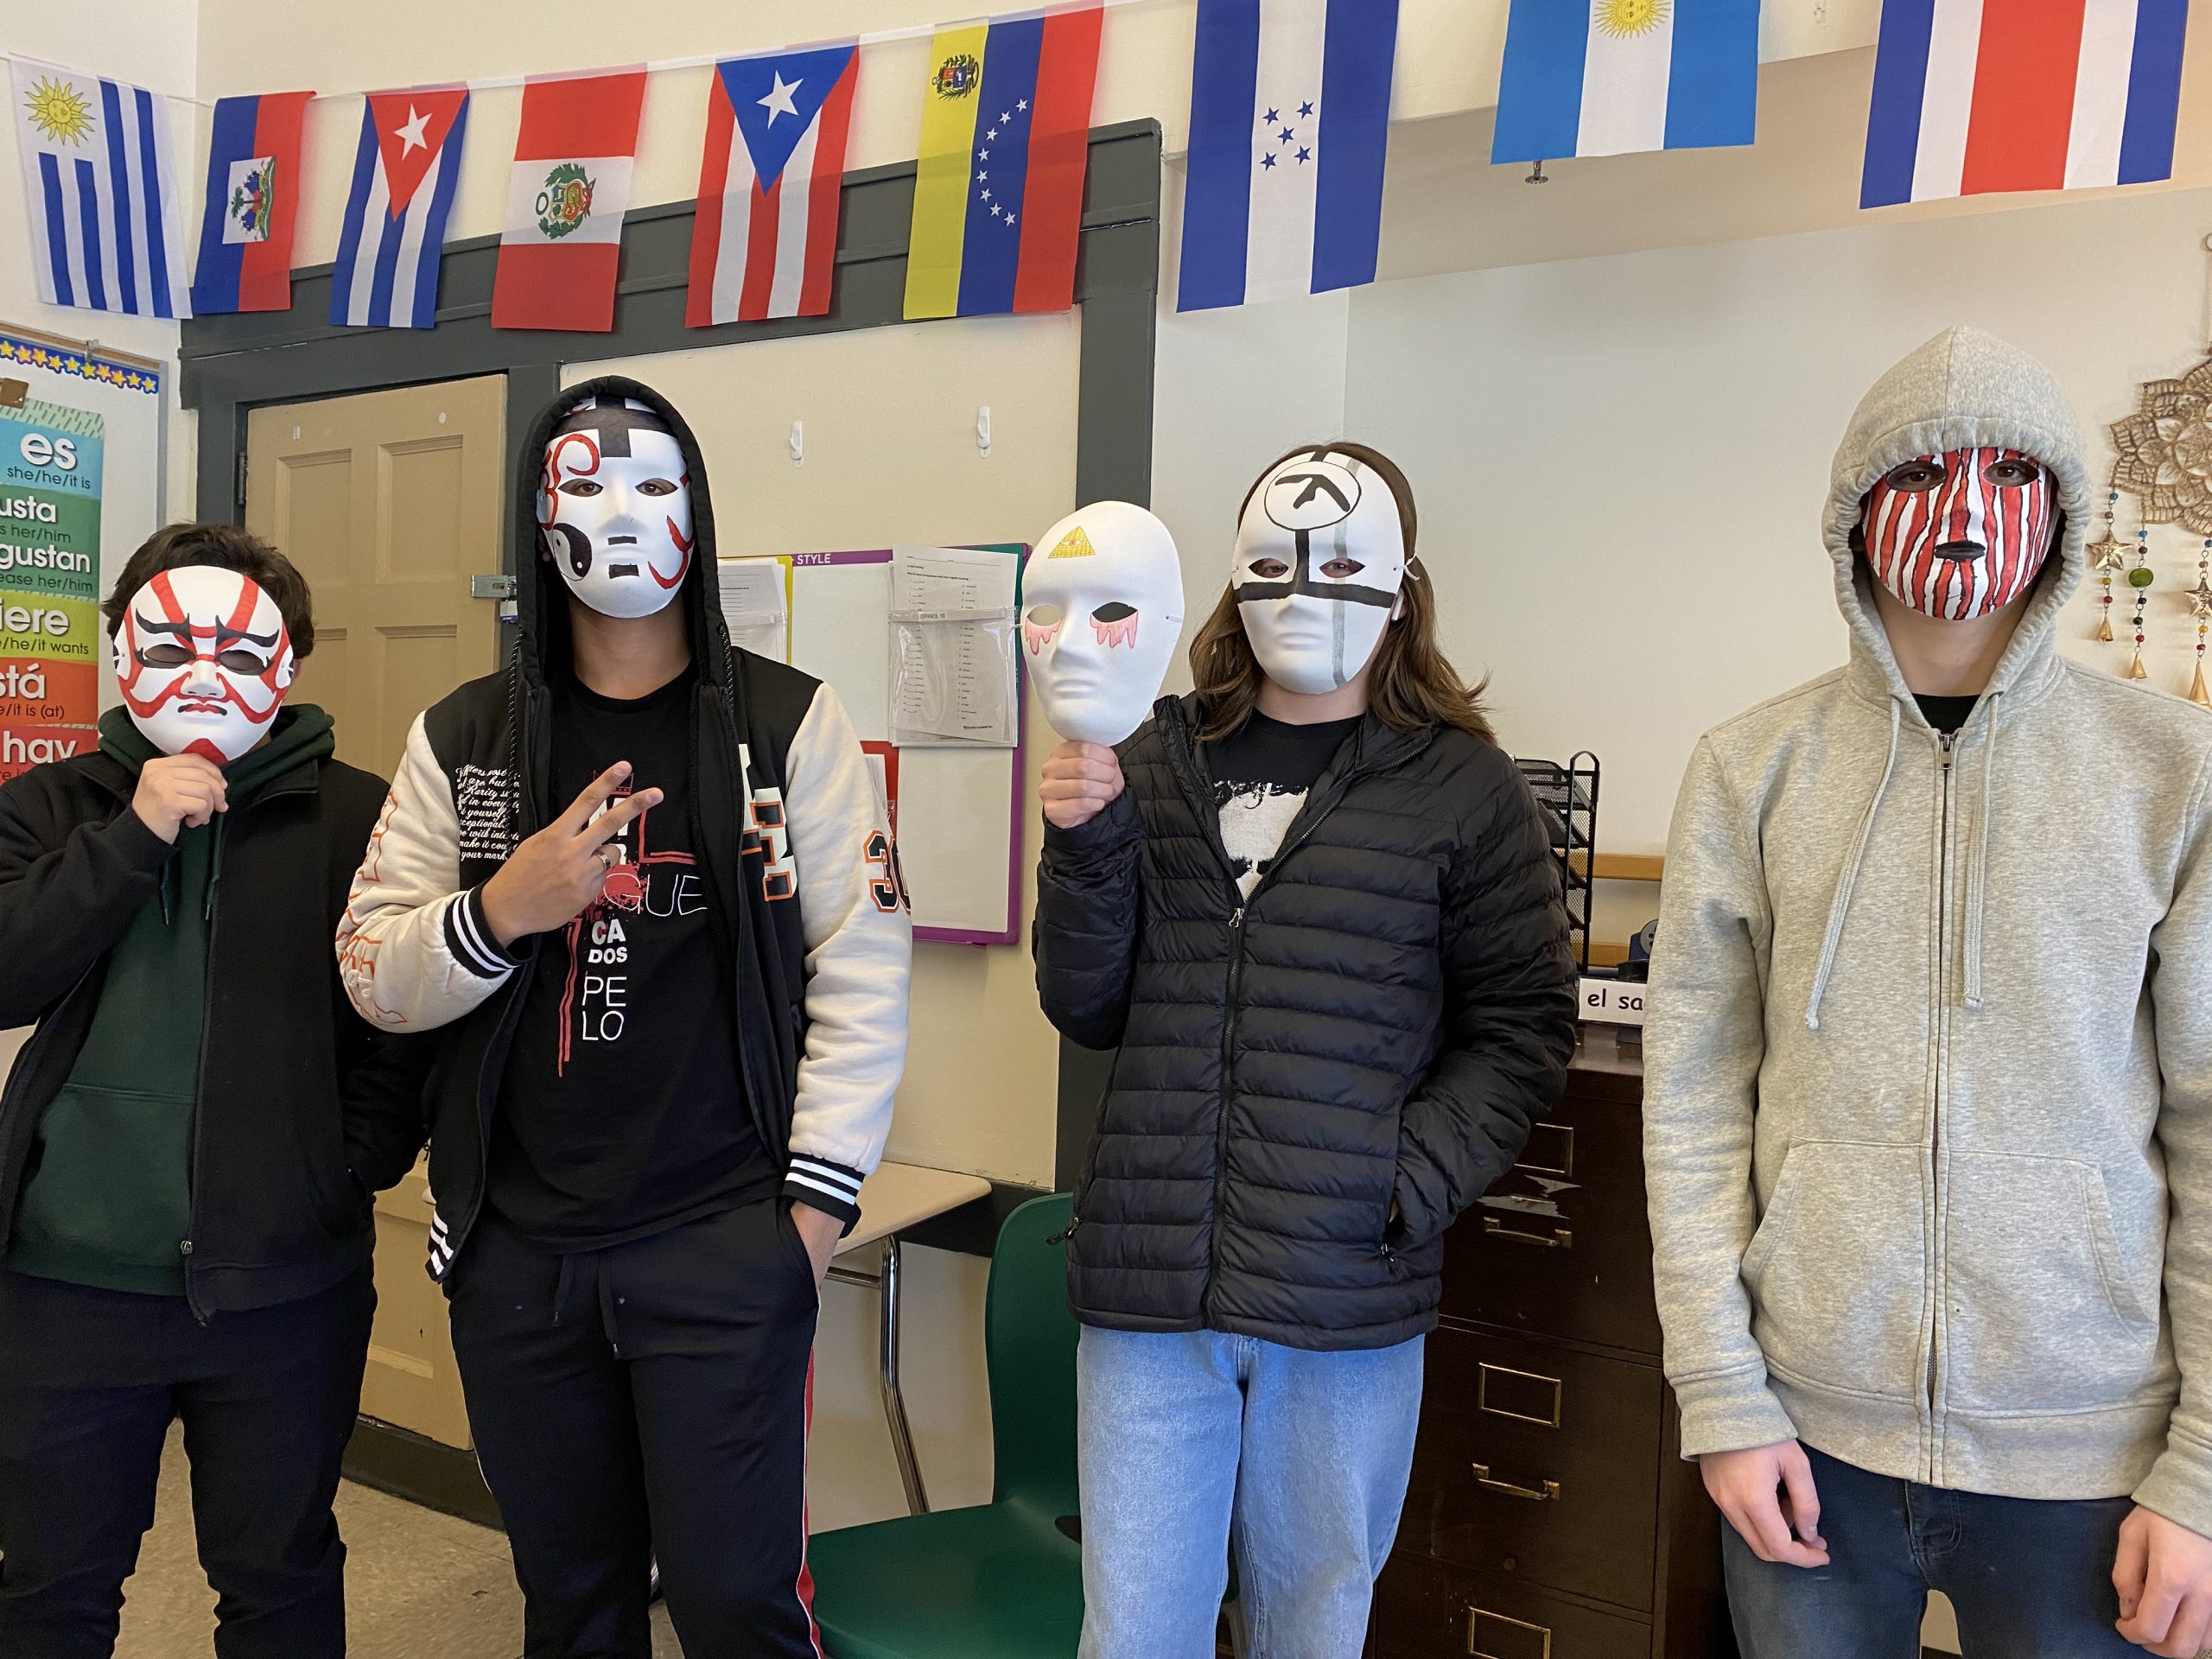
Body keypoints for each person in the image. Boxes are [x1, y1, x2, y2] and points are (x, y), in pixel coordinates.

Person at [1645, 326, 2212, 1658]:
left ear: (2063, 513)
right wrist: (1721, 1392)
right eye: (1922, 472)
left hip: (2092, 1463)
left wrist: (2202, 1467)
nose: (1964, 509)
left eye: (2008, 471)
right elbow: (1690, 1104)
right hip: (1805, 1443)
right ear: (1851, 513)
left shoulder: (2171, 775)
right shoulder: (1751, 768)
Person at [334, 379, 910, 1659]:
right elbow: (371, 967)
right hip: (520, 1259)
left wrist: (810, 1219)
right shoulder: (467, 740)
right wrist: (500, 910)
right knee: (574, 1608)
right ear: (540, 521)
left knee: (736, 1608)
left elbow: (865, 965)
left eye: (658, 485)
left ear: (699, 511)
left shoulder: (785, 726)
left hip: (724, 1243)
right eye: (590, 485)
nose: (626, 514)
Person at [1033, 443, 1579, 1659]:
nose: (1303, 592)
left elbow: (1523, 1029)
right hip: (1150, 1293)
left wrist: (1402, 1183)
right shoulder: (1153, 757)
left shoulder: (1463, 787)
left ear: (1400, 587)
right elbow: (1089, 1005)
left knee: (1314, 1626)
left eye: (1339, 566)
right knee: (1132, 1634)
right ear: (1233, 582)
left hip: (1343, 1300)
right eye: (1273, 565)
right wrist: (1083, 845)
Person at [0, 524, 427, 1659]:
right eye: (173, 645)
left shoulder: (360, 817)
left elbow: (402, 1018)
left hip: (286, 1288)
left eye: (240, 654)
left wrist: (342, 1167)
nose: (204, 678)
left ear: (287, 668)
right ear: (121, 654)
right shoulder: (47, 809)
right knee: (51, 1586)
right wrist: (136, 832)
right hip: (65, 1284)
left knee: (280, 1576)